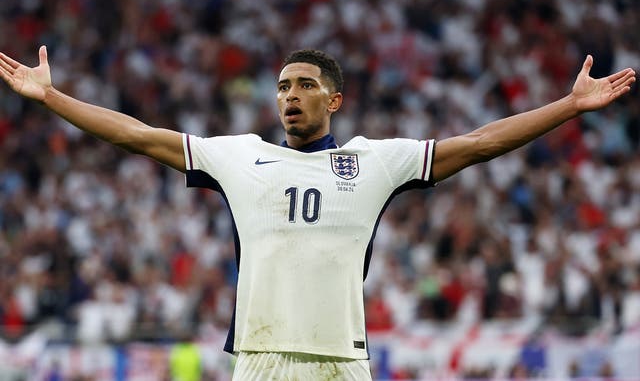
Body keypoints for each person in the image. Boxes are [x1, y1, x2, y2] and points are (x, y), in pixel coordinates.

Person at [0, 47, 635, 380]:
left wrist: (567, 107)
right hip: (261, 358)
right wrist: (52, 96)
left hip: (341, 359)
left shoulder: (375, 162)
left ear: (334, 98)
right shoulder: (241, 158)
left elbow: (479, 143)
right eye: (281, 87)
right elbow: (138, 135)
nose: (289, 97)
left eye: (303, 85)